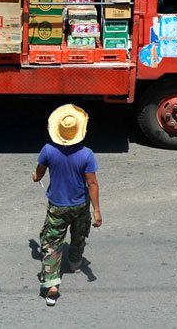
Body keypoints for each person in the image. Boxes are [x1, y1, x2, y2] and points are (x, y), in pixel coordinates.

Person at [32, 104, 102, 306]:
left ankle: (52, 285)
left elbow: (39, 173)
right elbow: (92, 183)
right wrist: (96, 210)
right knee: (79, 234)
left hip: (57, 206)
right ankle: (74, 264)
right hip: (80, 204)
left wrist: (36, 177)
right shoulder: (87, 154)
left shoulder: (48, 150)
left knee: (52, 242)